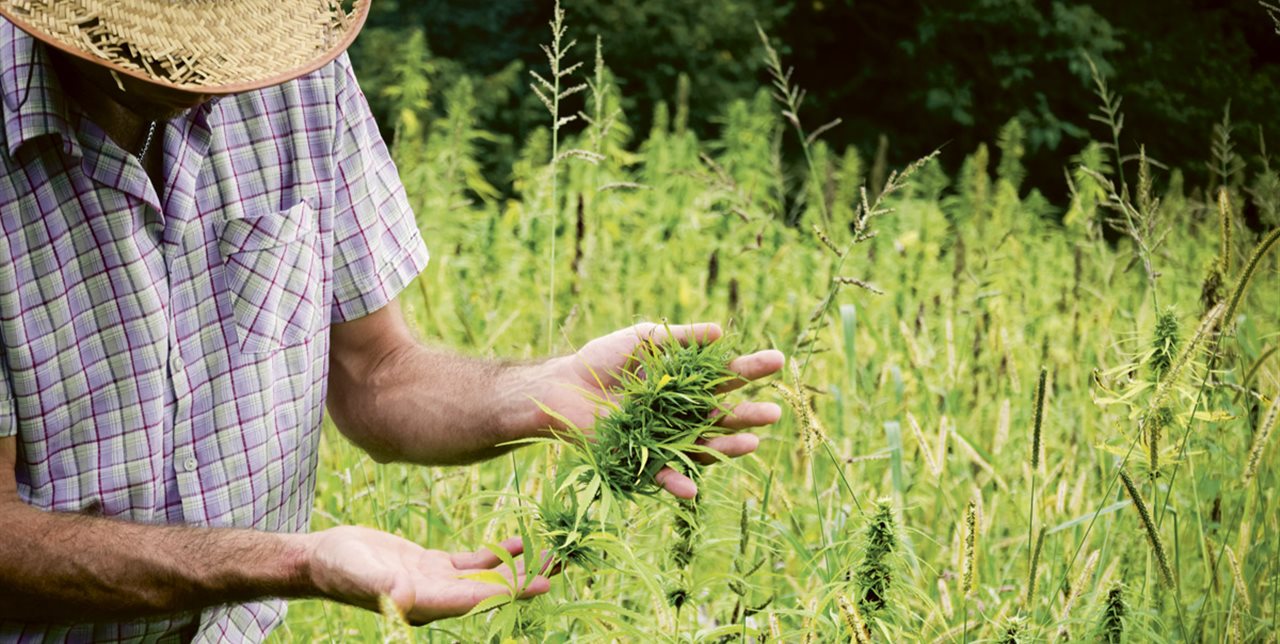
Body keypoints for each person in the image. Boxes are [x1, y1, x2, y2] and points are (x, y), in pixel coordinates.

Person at [0, 0, 784, 641]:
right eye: (169, 52)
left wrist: (547, 390)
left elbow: (375, 372)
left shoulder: (291, 74)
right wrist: (293, 564)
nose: (219, 79)